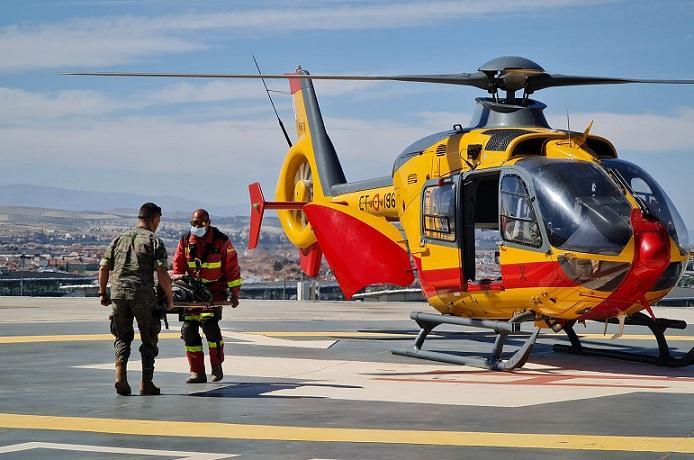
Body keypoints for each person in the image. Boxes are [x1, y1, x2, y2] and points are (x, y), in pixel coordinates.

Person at [98, 202, 174, 396]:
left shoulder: (119, 239)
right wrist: (169, 297)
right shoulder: (153, 240)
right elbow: (162, 272)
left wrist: (103, 293)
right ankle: (146, 383)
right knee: (149, 339)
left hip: (119, 295)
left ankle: (119, 375)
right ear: (155, 219)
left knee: (122, 337)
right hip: (142, 296)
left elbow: (104, 268)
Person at [172, 208, 241, 383]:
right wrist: (179, 281)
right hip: (192, 292)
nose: (197, 226)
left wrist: (234, 294)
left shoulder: (222, 241)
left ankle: (216, 367)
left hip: (214, 291)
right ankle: (197, 371)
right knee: (189, 330)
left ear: (208, 222)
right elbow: (177, 266)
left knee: (209, 324)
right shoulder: (185, 240)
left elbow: (232, 269)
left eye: (200, 223)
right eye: (193, 223)